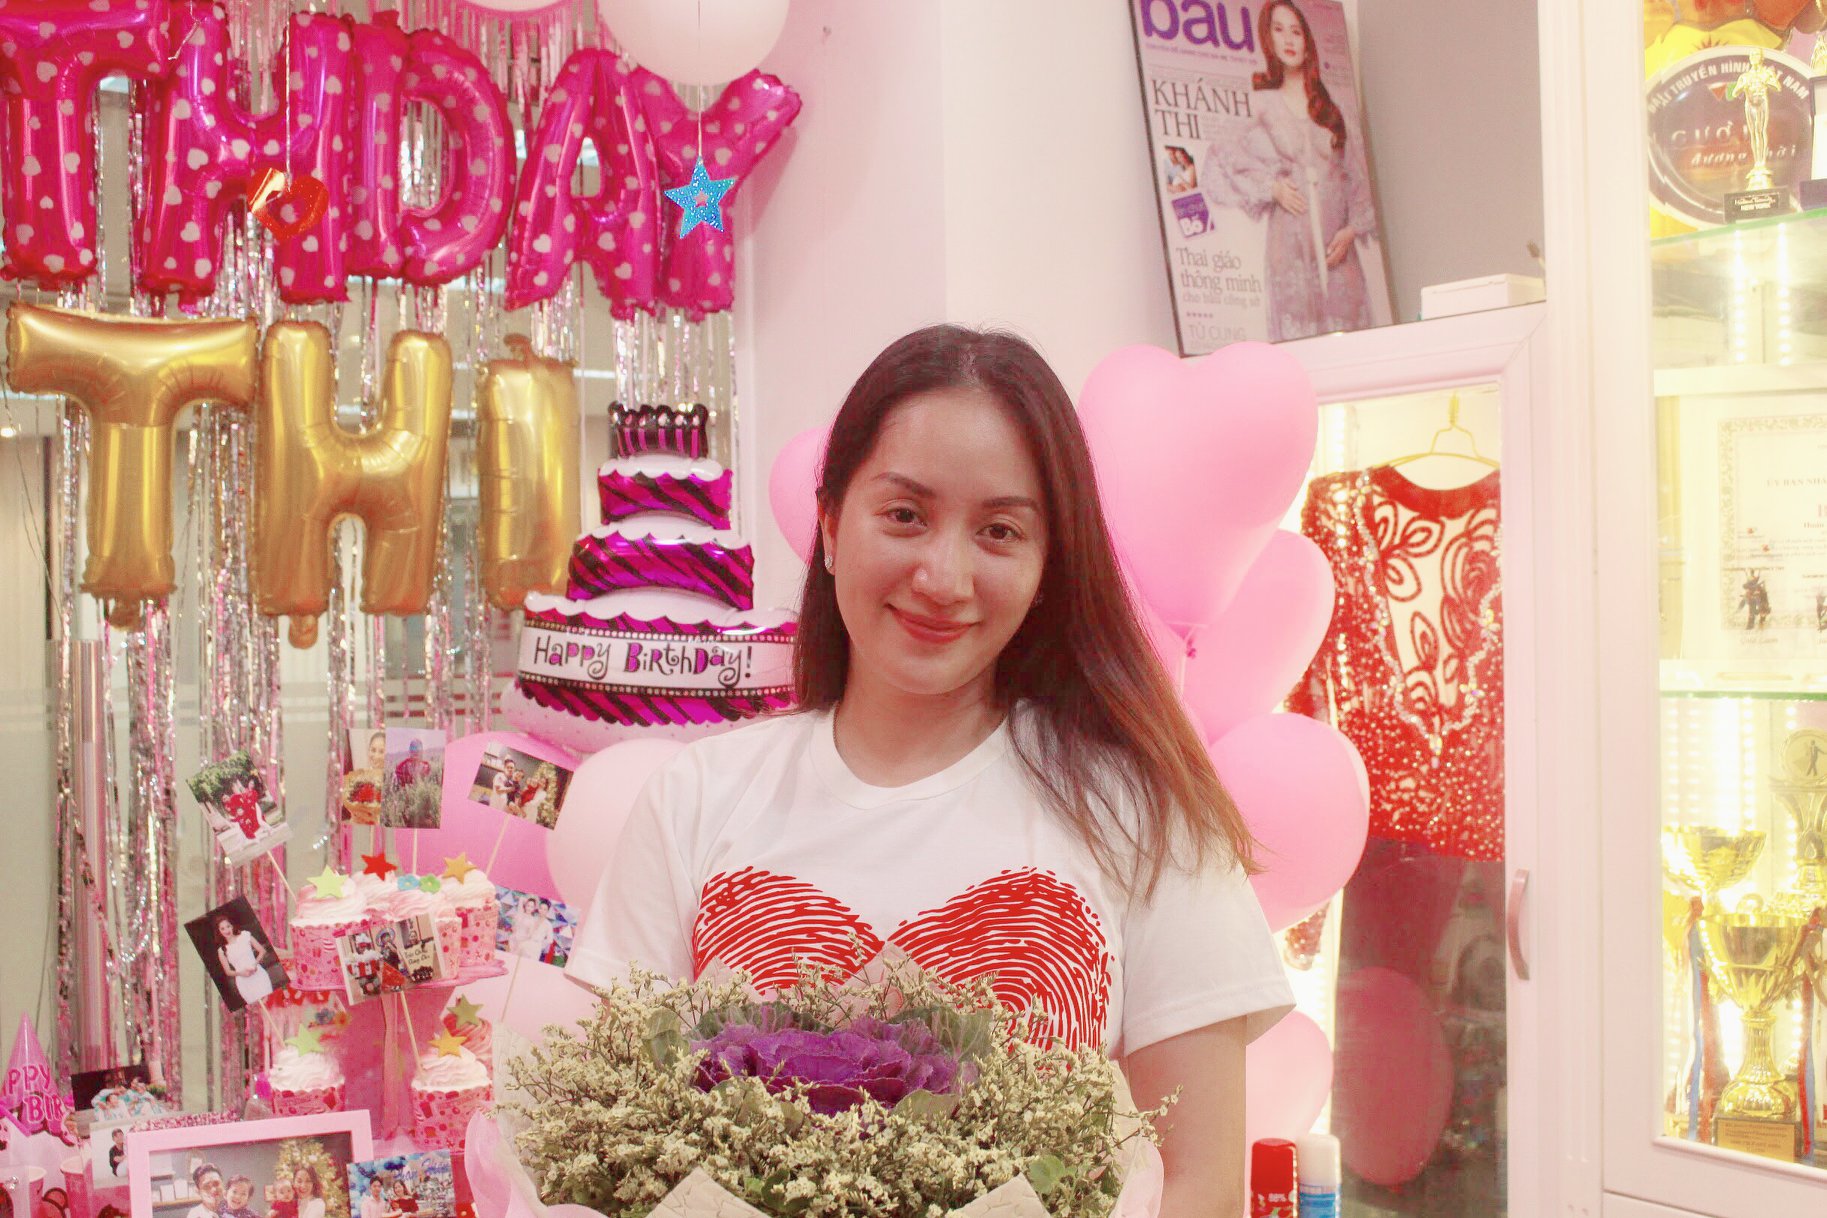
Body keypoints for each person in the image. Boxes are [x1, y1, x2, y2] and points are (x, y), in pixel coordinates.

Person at [568, 326, 1292, 1215]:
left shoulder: (1142, 817)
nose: (943, 577)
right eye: (905, 515)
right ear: (830, 526)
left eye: (999, 531)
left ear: (1047, 564)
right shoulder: (697, 798)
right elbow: (607, 1159)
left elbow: (1199, 1183)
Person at [1203, 0, 1376, 341]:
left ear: (1308, 40)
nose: (1288, 39)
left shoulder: (1333, 107)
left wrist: (1351, 230)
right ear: (1268, 39)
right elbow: (1222, 155)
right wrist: (1272, 187)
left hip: (1337, 247)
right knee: (1299, 339)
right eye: (1278, 30)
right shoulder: (1261, 103)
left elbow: (1357, 175)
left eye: (1296, 31)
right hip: (1290, 243)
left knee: (1354, 337)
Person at [215, 914, 276, 1008]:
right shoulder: (222, 950)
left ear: (232, 926)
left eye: (228, 926)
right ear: (219, 931)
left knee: (271, 1004)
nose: (227, 930)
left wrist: (254, 965)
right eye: (222, 928)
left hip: (259, 975)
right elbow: (228, 971)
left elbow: (262, 951)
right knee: (257, 1009)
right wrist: (241, 973)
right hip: (243, 982)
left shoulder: (245, 935)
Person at [343, 730, 386, 824]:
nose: (376, 756)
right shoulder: (360, 778)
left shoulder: (391, 783)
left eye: (381, 751)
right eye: (373, 750)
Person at [507, 896, 554, 961]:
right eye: (541, 908)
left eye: (545, 909)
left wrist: (540, 945)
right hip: (526, 944)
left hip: (536, 947)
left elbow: (550, 940)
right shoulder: (534, 919)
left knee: (529, 964)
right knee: (518, 960)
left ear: (547, 911)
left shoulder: (548, 924)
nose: (542, 911)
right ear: (538, 909)